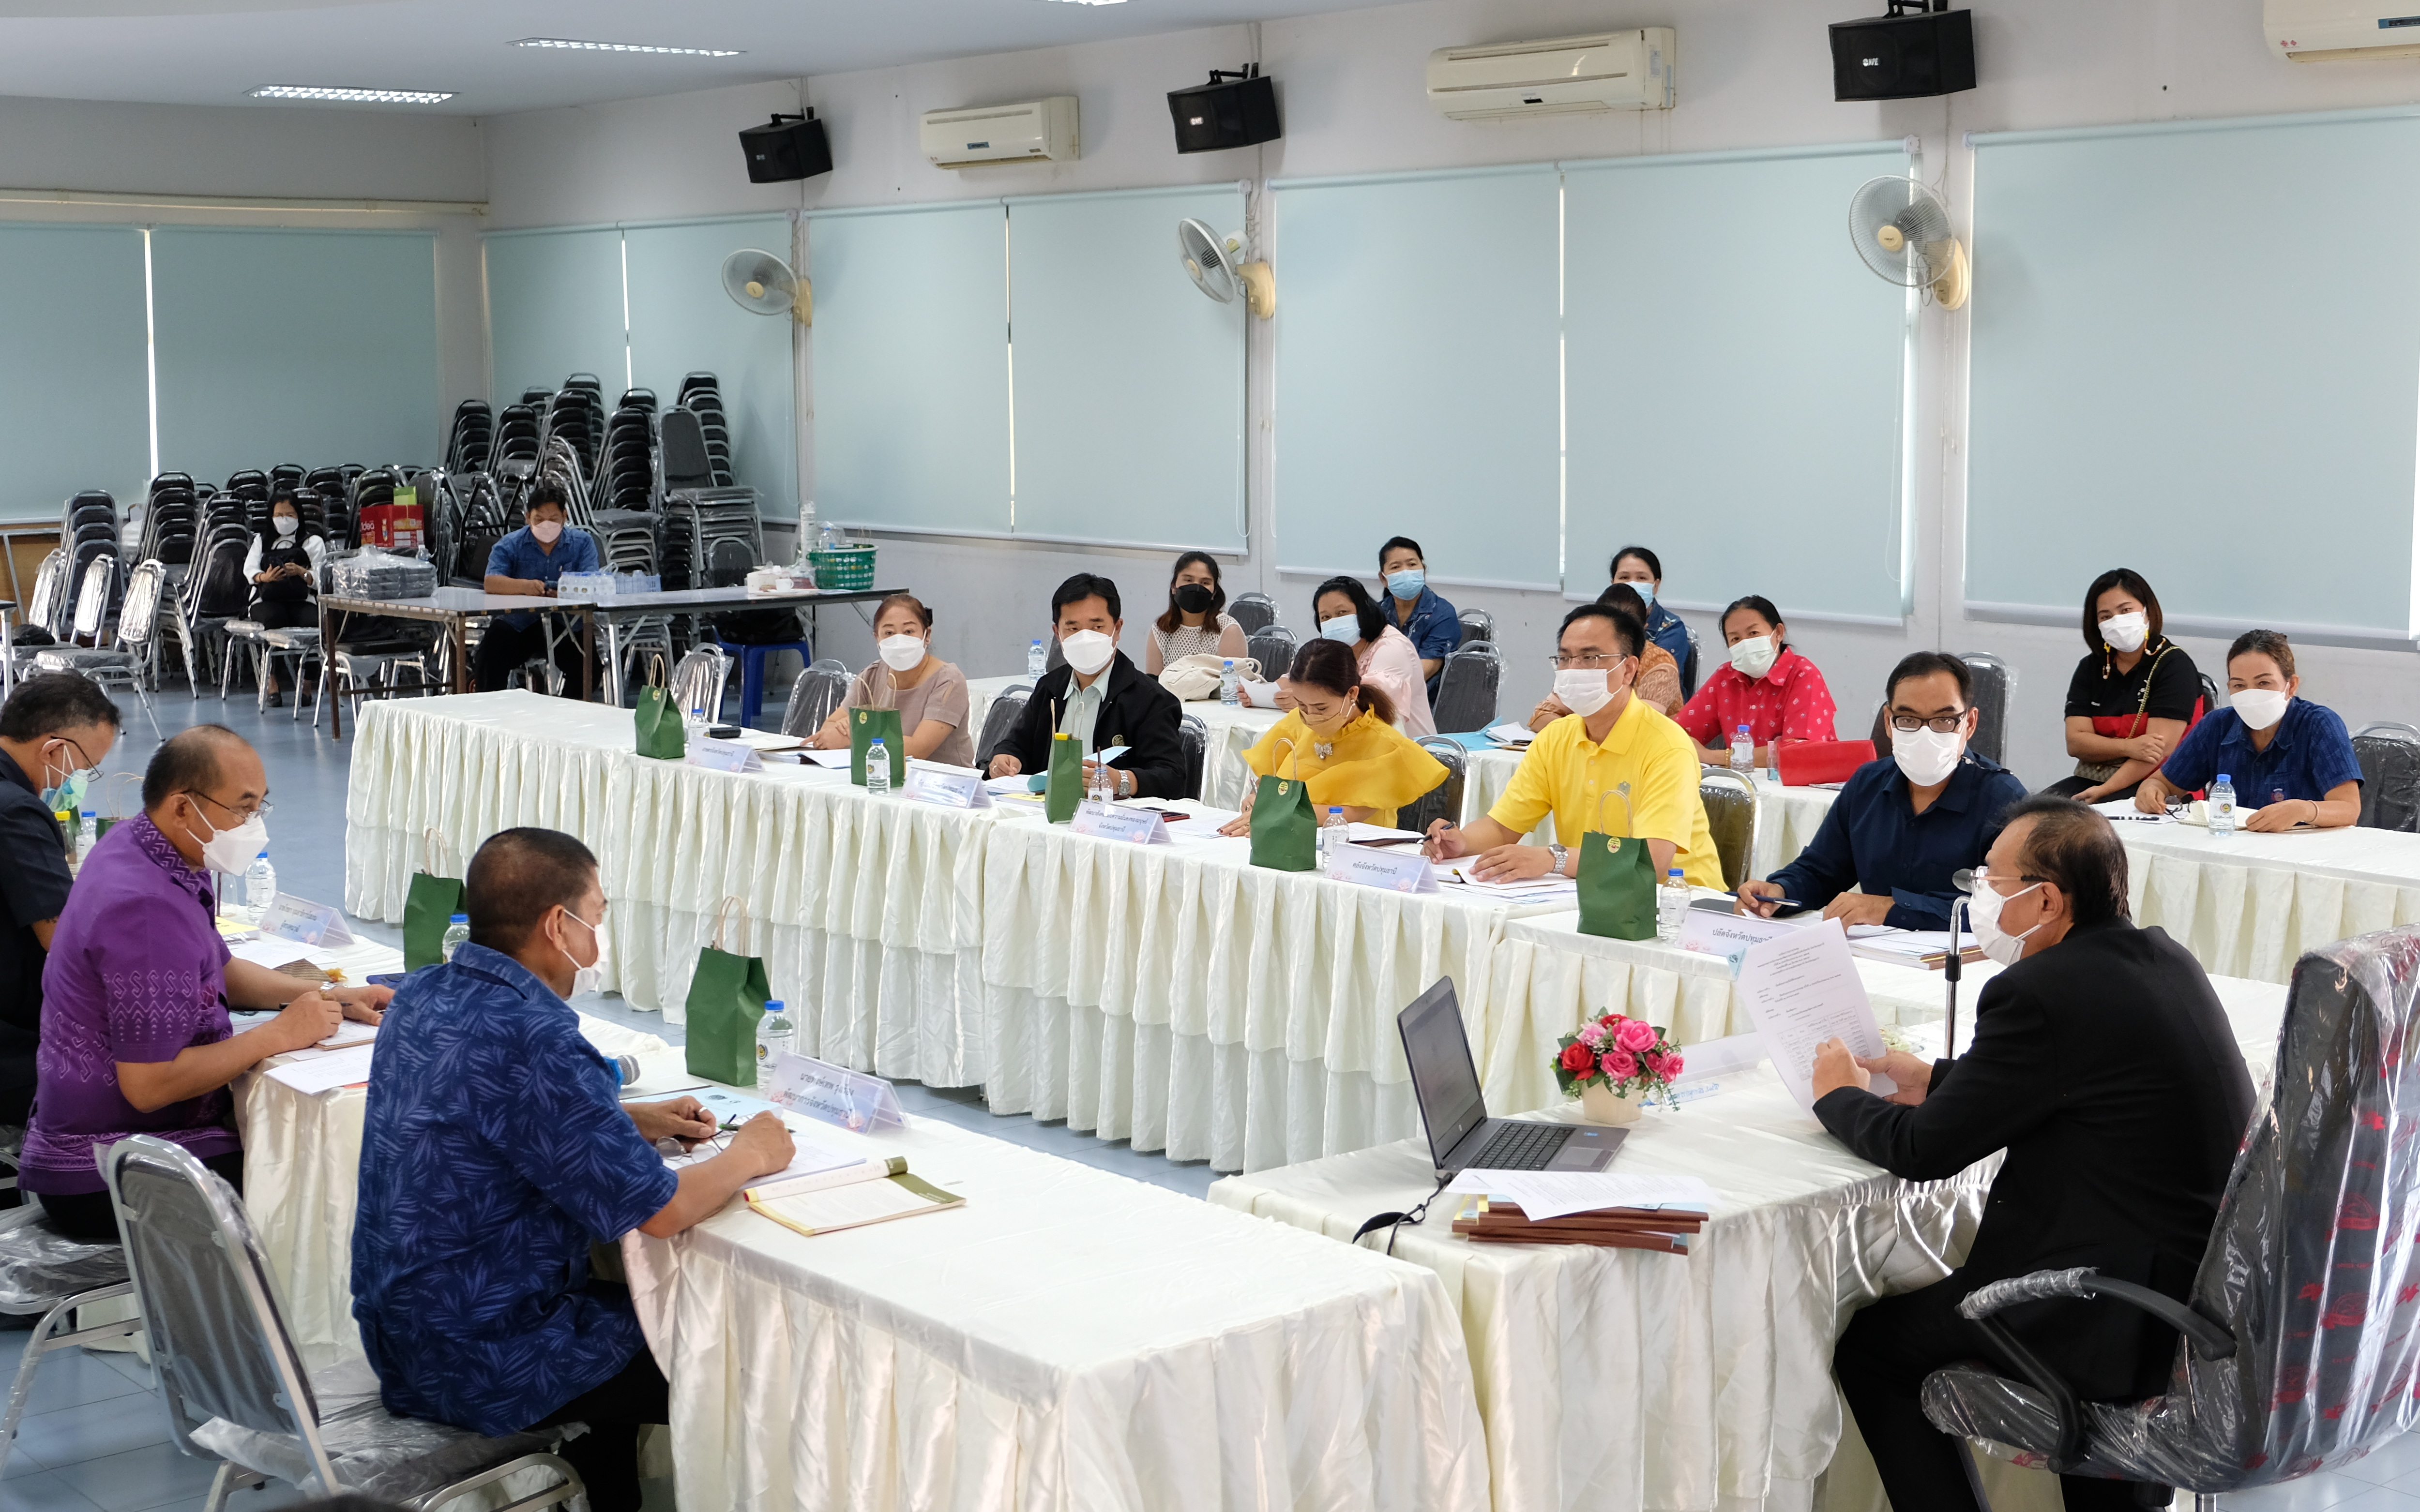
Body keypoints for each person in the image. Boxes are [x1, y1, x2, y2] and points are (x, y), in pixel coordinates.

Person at [1810, 798, 2254, 1512]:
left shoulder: (2038, 990)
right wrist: (1937, 1079)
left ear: (2046, 899)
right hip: (2191, 1297)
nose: (1980, 896)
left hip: (2098, 1308)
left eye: (1991, 879)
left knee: (1873, 1350)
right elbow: (2077, 1083)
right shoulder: (2162, 957)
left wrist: (1835, 1096)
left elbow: (1922, 1152)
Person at [353, 828, 796, 1512]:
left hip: (406, 1332)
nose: (599, 934)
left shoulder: (423, 997)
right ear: (558, 925)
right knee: (737, 1364)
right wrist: (752, 1154)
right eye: (598, 913)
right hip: (492, 1355)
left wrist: (625, 1117)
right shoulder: (538, 1038)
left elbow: (490, 1118)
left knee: (624, 1321)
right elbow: (664, 1210)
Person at [23, 726, 387, 1239]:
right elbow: (149, 1085)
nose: (253, 824)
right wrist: (279, 1034)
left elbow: (221, 969)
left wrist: (323, 996)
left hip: (117, 1140)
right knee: (329, 1178)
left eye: (260, 807)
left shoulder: (144, 846)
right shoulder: (144, 907)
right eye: (242, 808)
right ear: (182, 808)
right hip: (109, 1169)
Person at [1422, 602, 1722, 887]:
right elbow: (1502, 827)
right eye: (1565, 658)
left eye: (1589, 658)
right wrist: (1461, 843)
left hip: (1677, 902)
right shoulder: (1557, 737)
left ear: (1628, 670)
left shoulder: (1667, 745)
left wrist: (1553, 858)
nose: (1573, 669)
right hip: (1592, 891)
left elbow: (1652, 861)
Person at [1739, 652, 2028, 929]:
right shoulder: (1868, 784)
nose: (1925, 734)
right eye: (1908, 720)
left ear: (1970, 723)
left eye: (1944, 720)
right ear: (1889, 723)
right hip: (1874, 957)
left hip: (1963, 965)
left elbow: (2009, 906)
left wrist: (1891, 908)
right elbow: (1822, 871)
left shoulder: (2004, 799)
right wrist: (1778, 890)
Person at [0, 675, 120, 1127]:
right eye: (84, 766)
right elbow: (67, 942)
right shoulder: (16, 810)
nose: (77, 780)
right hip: (15, 1042)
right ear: (52, 750)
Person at [984, 573, 1187, 799]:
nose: (1085, 638)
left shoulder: (1150, 699)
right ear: (1057, 633)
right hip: (1045, 811)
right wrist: (1004, 758)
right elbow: (1016, 744)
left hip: (1112, 820)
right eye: (1073, 629)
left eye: (1097, 627)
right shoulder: (1050, 687)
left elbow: (1172, 777)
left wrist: (1121, 781)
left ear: (1117, 629)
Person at [2134, 629, 2362, 830]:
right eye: (2239, 686)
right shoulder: (2217, 725)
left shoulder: (2319, 724)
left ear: (2291, 685)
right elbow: (2163, 783)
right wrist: (2151, 791)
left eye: (2264, 683)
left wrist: (2304, 810)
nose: (2250, 694)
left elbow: (2349, 809)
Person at [1219, 640, 1449, 835]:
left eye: (1321, 708)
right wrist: (1255, 798)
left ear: (1352, 693)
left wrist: (1276, 813)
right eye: (1302, 705)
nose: (1310, 717)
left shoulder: (1387, 745)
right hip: (1284, 837)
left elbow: (1353, 813)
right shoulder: (1296, 723)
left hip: (1354, 852)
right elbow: (1267, 777)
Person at [2044, 569, 2207, 802]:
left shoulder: (2174, 665)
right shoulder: (2091, 668)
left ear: (2147, 612)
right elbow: (2076, 742)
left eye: (2125, 610)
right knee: (2031, 814)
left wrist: (2105, 791)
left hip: (2162, 785)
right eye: (2105, 616)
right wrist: (2129, 747)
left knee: (2078, 826)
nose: (2117, 621)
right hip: (2095, 778)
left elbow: (2157, 752)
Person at [1242, 577, 1437, 738]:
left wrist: (1308, 706)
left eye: (1342, 613)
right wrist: (1259, 695)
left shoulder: (1393, 647)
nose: (1334, 622)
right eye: (1326, 617)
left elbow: (1369, 702)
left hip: (1406, 750)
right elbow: (1297, 678)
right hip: (1348, 741)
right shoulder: (1332, 648)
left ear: (1363, 611)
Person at [806, 593, 973, 765]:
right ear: (877, 638)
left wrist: (855, 735)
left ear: (927, 635)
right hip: (882, 775)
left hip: (942, 783)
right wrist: (840, 732)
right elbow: (830, 727)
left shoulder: (948, 681)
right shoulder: (871, 675)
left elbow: (918, 749)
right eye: (889, 633)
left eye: (909, 632)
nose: (899, 640)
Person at [1673, 595, 1838, 766]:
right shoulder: (1726, 677)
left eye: (1753, 633)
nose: (1746, 643)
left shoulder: (1803, 675)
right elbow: (1677, 733)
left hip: (1802, 786)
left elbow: (1799, 751)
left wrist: (1714, 757)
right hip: (1743, 784)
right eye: (1735, 639)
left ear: (1779, 633)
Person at [475, 484, 599, 695]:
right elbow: (492, 581)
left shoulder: (582, 543)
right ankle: (491, 715)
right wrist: (525, 586)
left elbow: (592, 581)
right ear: (527, 518)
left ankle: (566, 715)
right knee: (489, 656)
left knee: (590, 669)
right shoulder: (510, 544)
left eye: (553, 519)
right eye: (539, 520)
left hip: (566, 623)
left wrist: (567, 592)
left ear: (565, 516)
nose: (547, 525)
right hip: (520, 623)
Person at [1528, 583, 1681, 728]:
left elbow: (1640, 727)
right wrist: (1576, 733)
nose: (1574, 665)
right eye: (1564, 657)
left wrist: (1580, 732)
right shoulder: (1578, 659)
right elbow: (1541, 716)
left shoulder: (1659, 663)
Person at [242, 485, 326, 706]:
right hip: (267, 599)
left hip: (302, 599)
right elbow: (249, 570)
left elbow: (323, 576)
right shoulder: (262, 540)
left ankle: (307, 684)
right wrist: (265, 577)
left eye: (290, 515)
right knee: (273, 621)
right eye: (279, 515)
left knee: (312, 622)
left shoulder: (313, 542)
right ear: (271, 517)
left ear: (299, 515)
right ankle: (272, 681)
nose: (284, 520)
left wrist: (302, 572)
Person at [1143, 551, 1248, 675]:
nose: (1196, 587)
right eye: (1188, 580)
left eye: (1205, 583)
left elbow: (1232, 689)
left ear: (1214, 593)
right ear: (1174, 587)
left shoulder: (1228, 630)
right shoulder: (1160, 630)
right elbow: (1154, 686)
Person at [1377, 537, 1461, 690]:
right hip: (1376, 695)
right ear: (1384, 578)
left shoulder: (1443, 613)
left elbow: (1424, 671)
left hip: (1424, 702)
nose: (1405, 572)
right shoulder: (1377, 613)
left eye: (1412, 564)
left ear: (1423, 571)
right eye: (1396, 567)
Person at [1610, 546, 1694, 694]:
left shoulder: (1671, 628)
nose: (1633, 584)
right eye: (1624, 578)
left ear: (1656, 585)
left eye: (1642, 578)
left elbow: (1655, 681)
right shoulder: (1597, 621)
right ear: (1613, 583)